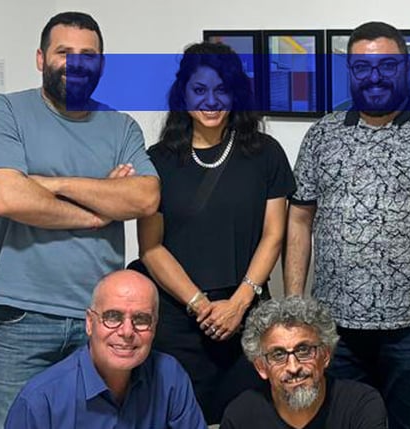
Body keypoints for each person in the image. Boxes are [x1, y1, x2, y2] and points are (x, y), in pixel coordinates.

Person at [285, 21, 410, 429]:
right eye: (363, 67)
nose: (375, 77)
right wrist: (296, 308)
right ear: (350, 71)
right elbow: (300, 220)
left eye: (388, 65)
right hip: (333, 330)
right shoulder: (321, 137)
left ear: (406, 68)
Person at [0, 12, 161, 428]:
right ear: (41, 58)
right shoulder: (6, 112)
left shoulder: (121, 126)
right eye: (64, 52)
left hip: (104, 320)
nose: (75, 64)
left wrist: (49, 183)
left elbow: (146, 197)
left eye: (88, 56)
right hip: (21, 317)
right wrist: (100, 210)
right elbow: (7, 198)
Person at [131, 41, 291, 424]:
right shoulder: (157, 160)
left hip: (248, 316)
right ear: (183, 94)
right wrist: (201, 306)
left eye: (222, 90)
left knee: (251, 418)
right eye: (199, 90)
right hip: (180, 321)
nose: (211, 101)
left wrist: (237, 304)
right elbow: (151, 249)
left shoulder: (265, 153)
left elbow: (274, 235)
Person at [3, 270, 206, 429]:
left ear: (155, 325)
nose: (127, 331)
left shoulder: (170, 376)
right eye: (113, 317)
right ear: (90, 323)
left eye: (141, 319)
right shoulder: (39, 401)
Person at [223, 296, 391, 429]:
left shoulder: (360, 405)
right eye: (278, 354)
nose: (293, 367)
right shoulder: (241, 416)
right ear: (261, 367)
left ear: (325, 355)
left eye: (304, 350)